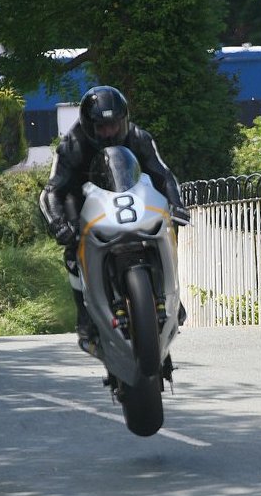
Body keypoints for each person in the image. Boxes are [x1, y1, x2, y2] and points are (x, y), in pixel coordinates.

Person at [38, 85, 190, 352]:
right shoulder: (71, 145)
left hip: (128, 193)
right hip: (83, 200)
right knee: (73, 253)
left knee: (164, 227)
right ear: (88, 126)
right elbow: (51, 191)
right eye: (101, 127)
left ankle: (170, 296)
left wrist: (177, 206)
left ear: (124, 121)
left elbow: (163, 174)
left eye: (114, 125)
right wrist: (58, 223)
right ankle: (85, 318)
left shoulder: (139, 137)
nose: (109, 133)